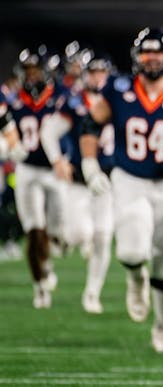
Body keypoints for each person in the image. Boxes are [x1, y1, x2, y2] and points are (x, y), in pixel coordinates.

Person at [80, 26, 163, 354]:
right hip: (131, 178)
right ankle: (136, 276)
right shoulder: (119, 87)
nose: (152, 58)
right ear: (137, 56)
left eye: (158, 52)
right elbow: (90, 125)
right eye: (147, 52)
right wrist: (90, 164)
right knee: (131, 252)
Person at [39, 50, 116, 313]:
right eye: (93, 72)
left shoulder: (118, 101)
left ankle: (93, 292)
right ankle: (60, 242)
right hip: (78, 179)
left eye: (101, 72)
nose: (97, 77)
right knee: (79, 234)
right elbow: (49, 131)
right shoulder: (74, 101)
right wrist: (57, 160)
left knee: (103, 237)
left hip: (107, 179)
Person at [9, 46, 67, 308]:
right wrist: (9, 146)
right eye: (27, 71)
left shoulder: (61, 97)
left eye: (35, 71)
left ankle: (49, 257)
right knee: (33, 230)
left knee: (56, 230)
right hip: (27, 169)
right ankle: (40, 284)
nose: (31, 76)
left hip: (54, 170)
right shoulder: (11, 99)